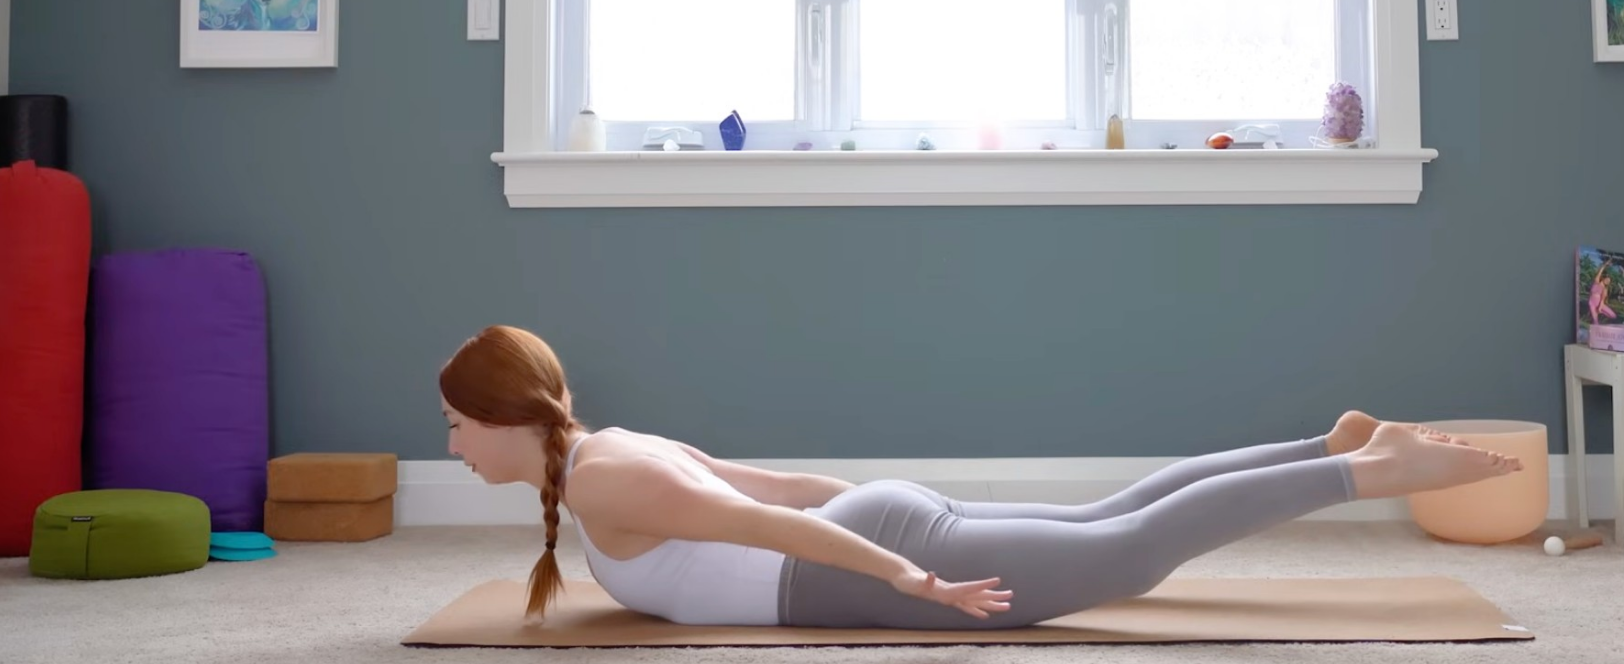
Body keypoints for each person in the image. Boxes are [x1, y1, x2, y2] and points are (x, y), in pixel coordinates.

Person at [439, 325, 1521, 630]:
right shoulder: (606, 447)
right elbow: (771, 486)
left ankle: (1368, 470)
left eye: (453, 427)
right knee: (1113, 519)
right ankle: (1325, 447)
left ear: (501, 419)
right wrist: (882, 508)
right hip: (879, 525)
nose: (450, 447)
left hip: (863, 558)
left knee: (1129, 554)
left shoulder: (600, 484)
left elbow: (767, 526)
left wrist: (908, 577)